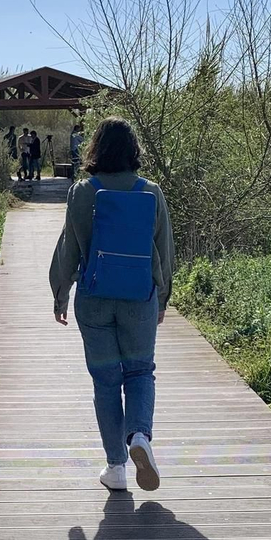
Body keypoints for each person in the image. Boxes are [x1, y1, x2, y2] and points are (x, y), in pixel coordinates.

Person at [49, 117, 175, 491]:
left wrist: (60, 293)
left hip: (95, 298)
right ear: (133, 150)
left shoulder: (83, 191)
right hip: (139, 299)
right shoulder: (151, 192)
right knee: (139, 372)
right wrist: (163, 295)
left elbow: (68, 247)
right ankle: (139, 437)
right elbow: (164, 250)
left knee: (106, 382)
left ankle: (116, 469)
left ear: (95, 149)